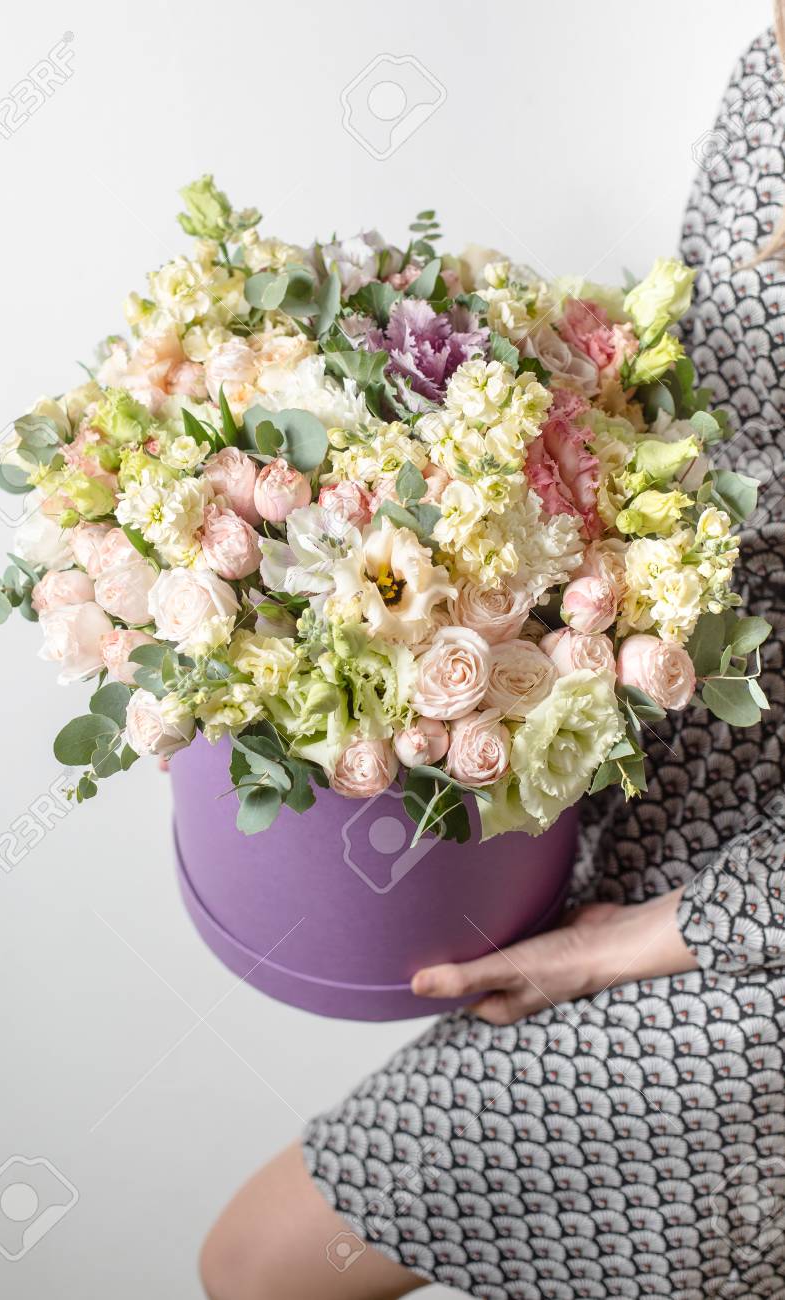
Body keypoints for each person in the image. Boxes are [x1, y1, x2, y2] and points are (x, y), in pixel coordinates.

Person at [199, 20, 785, 1299]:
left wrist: (616, 947)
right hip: (655, 844)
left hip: (742, 940)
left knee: (259, 1265)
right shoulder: (769, 66)